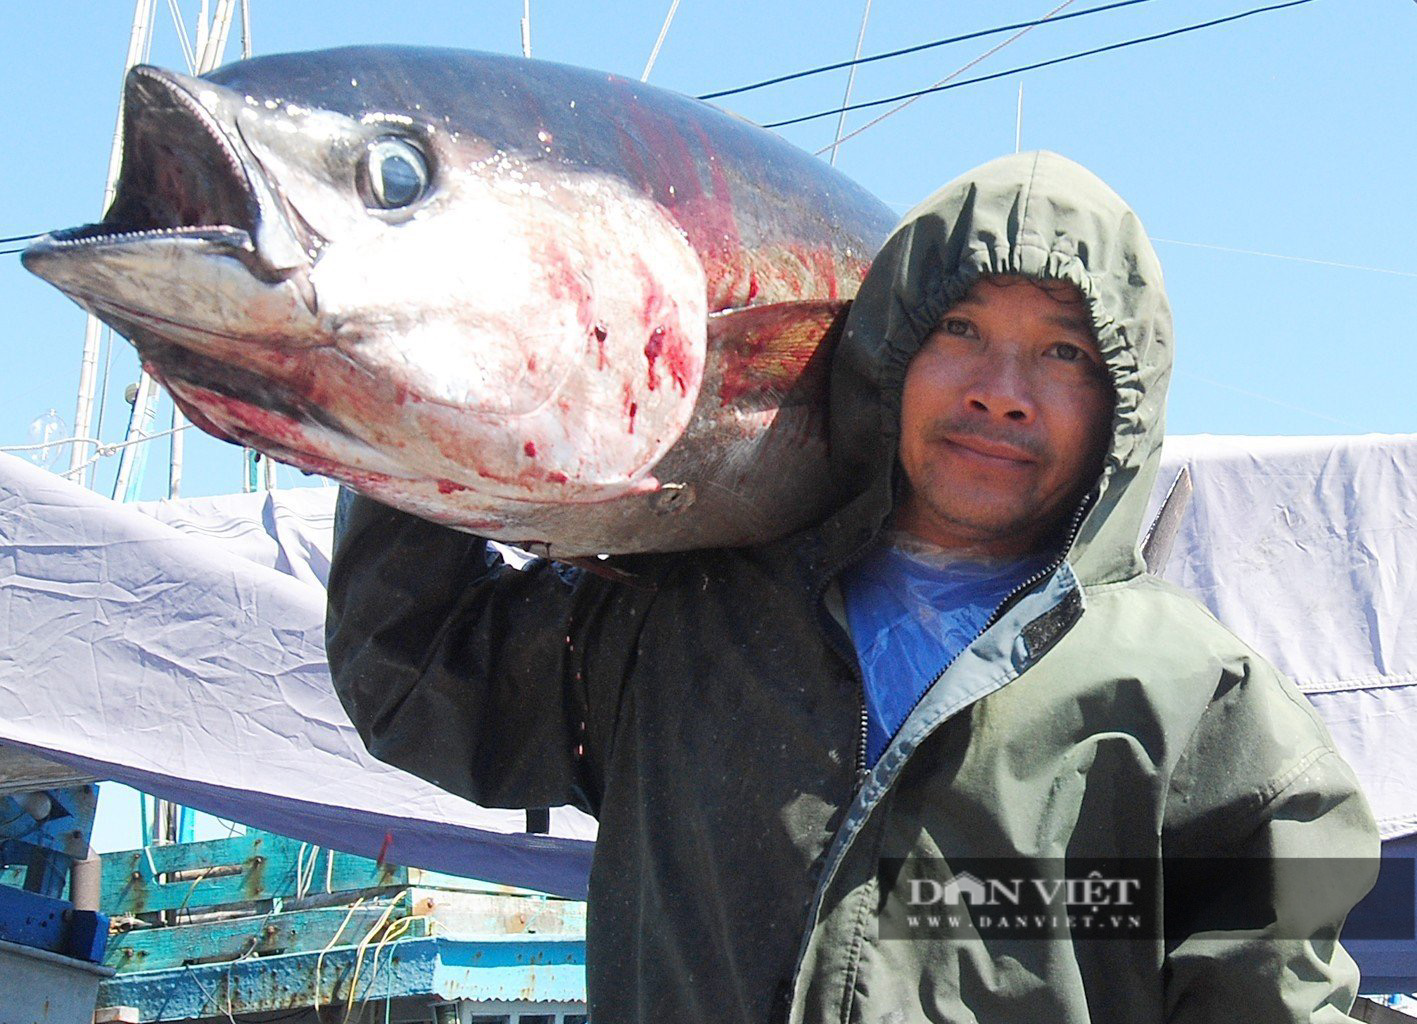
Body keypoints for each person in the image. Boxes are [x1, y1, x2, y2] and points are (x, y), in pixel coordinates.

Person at [326, 151, 1379, 1023]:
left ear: (1120, 403)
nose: (999, 393)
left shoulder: (1198, 711)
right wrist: (412, 388)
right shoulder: (690, 620)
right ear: (886, 354)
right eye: (959, 330)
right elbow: (419, 676)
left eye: (1062, 352)